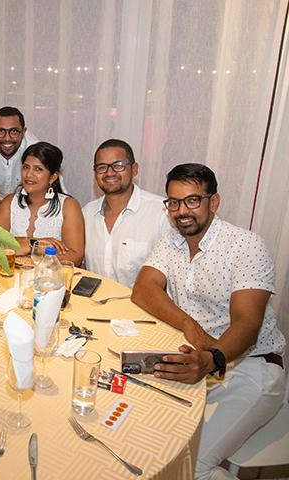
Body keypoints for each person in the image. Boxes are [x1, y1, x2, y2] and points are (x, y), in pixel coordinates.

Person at [131, 163, 286, 480]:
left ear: (213, 202)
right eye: (174, 202)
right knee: (140, 431)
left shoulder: (245, 246)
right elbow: (143, 290)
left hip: (251, 367)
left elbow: (247, 324)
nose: (181, 211)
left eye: (192, 200)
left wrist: (212, 358)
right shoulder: (172, 241)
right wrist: (190, 326)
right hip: (195, 359)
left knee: (189, 465)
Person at [82, 139, 170, 287]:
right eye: (102, 167)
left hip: (140, 301)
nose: (110, 173)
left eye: (118, 165)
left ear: (134, 169)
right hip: (95, 301)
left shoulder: (161, 213)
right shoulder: (87, 213)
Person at [0, 141, 84, 265]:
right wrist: (33, 244)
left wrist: (29, 248)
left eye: (38, 169)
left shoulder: (68, 206)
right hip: (13, 273)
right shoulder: (9, 202)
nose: (29, 174)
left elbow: (75, 256)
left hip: (50, 275)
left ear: (53, 177)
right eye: (26, 167)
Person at [0, 106, 39, 201]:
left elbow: (52, 185)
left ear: (23, 132)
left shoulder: (35, 150)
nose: (7, 138)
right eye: (1, 131)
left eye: (14, 131)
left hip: (26, 201)